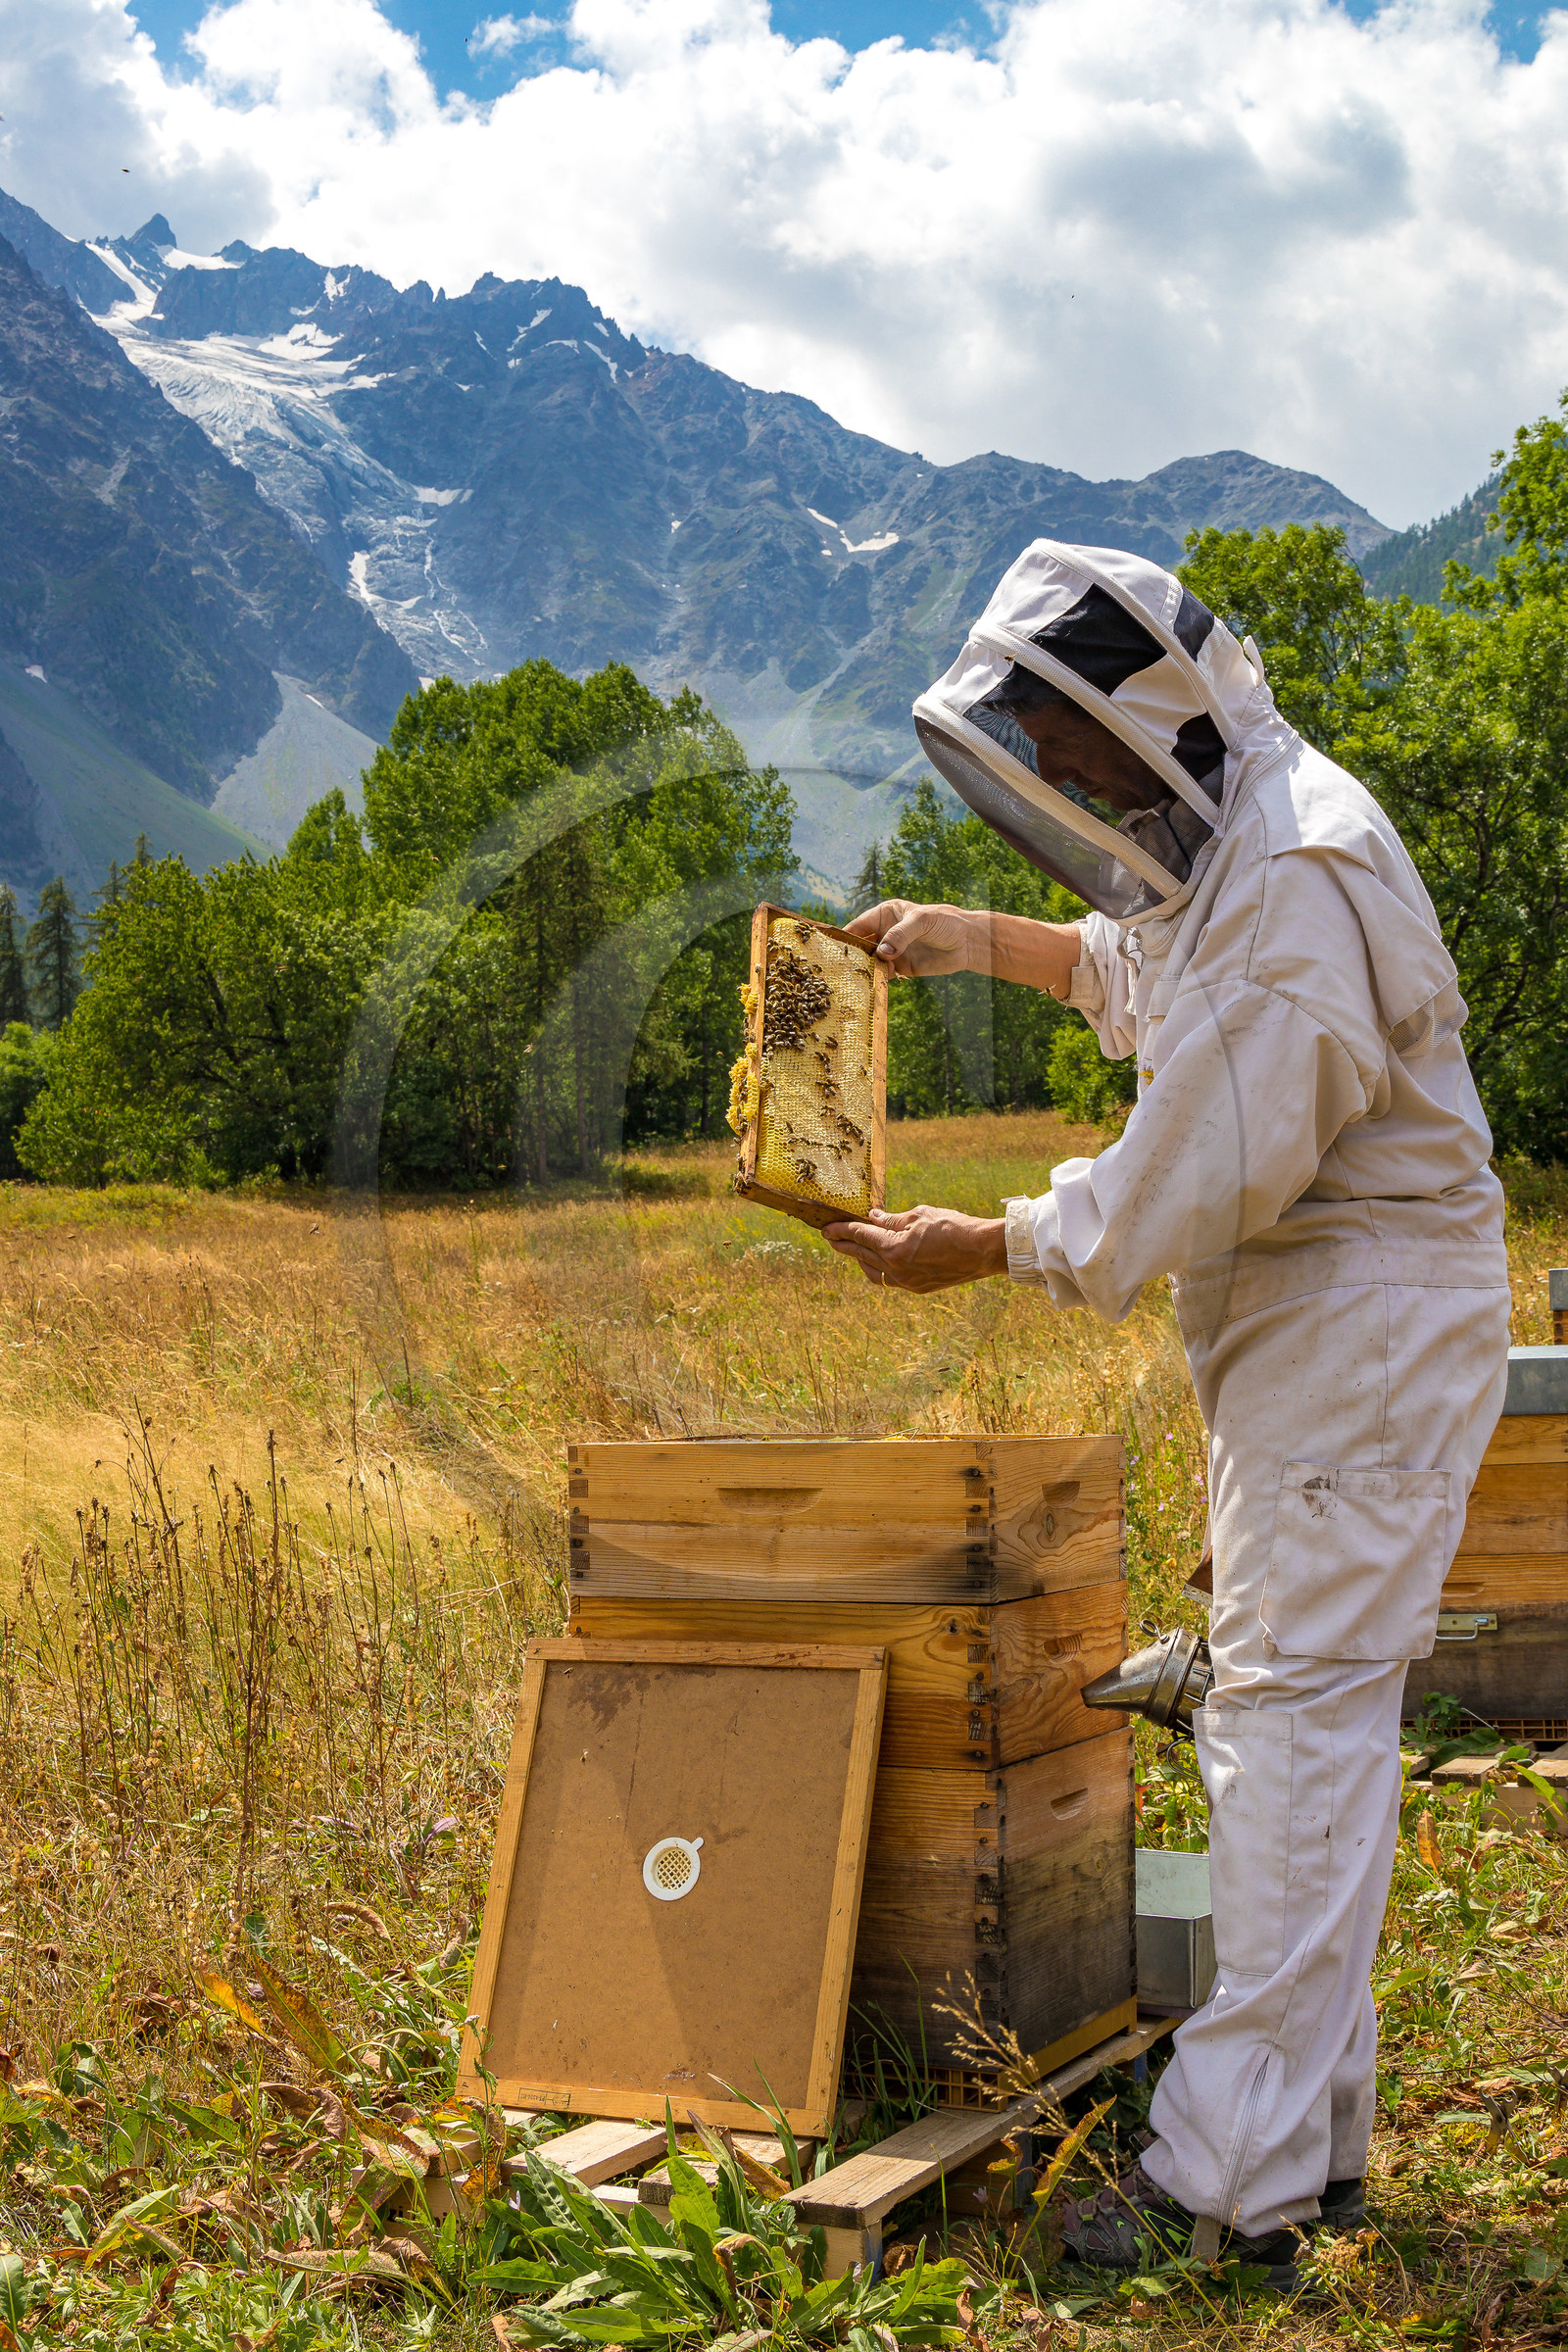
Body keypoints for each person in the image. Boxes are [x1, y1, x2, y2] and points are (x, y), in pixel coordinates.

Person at [827, 540, 1510, 2288]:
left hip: (1351, 1332)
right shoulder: (1252, 842)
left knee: (1284, 1740)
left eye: (1077, 761)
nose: (1065, 790)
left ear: (1159, 728)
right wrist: (983, 941)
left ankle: (1225, 2188)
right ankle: (1313, 2145)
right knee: (1312, 1734)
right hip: (1329, 1333)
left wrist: (986, 1243)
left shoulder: (1295, 880)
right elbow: (1157, 971)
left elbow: (1182, 1170)